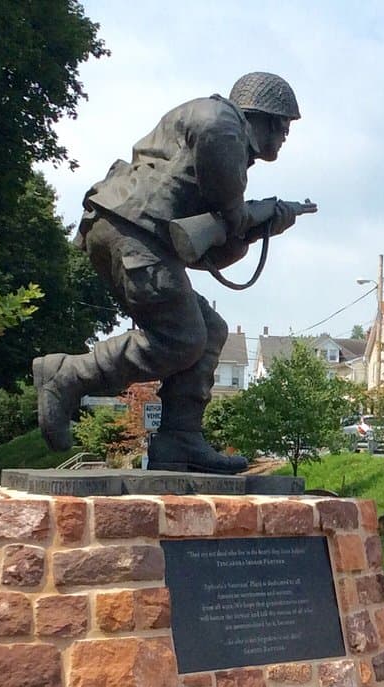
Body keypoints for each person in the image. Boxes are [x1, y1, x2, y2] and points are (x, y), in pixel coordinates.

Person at [33, 72, 316, 474]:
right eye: (285, 124)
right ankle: (68, 375)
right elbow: (225, 207)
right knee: (182, 337)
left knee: (210, 329)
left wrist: (261, 225)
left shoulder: (224, 136)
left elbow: (206, 252)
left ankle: (179, 439)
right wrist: (246, 215)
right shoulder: (222, 124)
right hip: (133, 228)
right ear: (266, 117)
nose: (286, 135)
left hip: (135, 231)